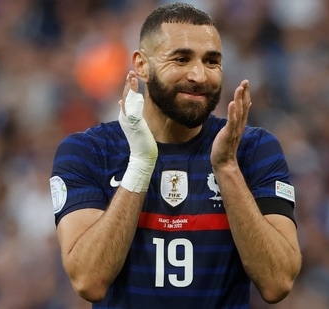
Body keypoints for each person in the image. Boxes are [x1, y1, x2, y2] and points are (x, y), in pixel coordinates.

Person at [49, 3, 301, 308]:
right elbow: (88, 280)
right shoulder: (89, 151)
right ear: (142, 65)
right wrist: (140, 164)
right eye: (181, 59)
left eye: (212, 62)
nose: (199, 75)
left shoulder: (251, 149)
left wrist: (227, 168)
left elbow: (278, 283)